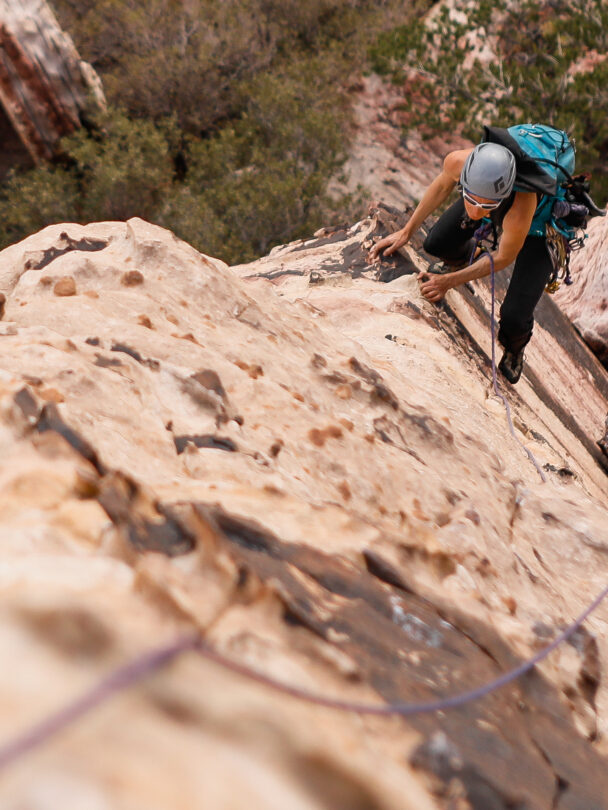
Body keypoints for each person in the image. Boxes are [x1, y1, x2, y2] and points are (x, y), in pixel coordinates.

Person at [370, 141, 553, 384]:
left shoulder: (523, 202)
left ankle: (514, 348)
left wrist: (447, 281)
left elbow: (503, 257)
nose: (476, 213)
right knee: (435, 244)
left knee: (514, 315)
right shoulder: (458, 162)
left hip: (543, 228)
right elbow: (440, 188)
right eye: (471, 200)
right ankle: (462, 256)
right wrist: (406, 231)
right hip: (493, 199)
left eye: (484, 206)